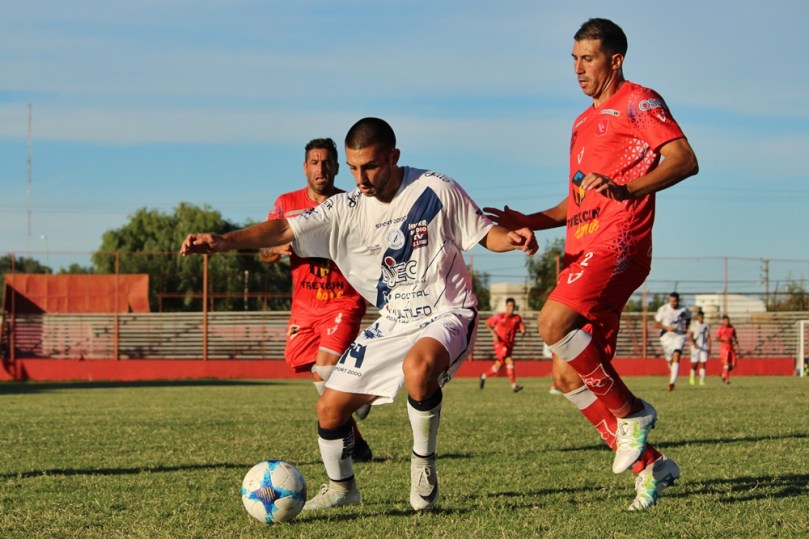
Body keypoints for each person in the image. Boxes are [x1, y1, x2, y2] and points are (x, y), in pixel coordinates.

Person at [181, 117, 538, 512]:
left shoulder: (435, 189)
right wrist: (224, 241)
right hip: (393, 321)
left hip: (447, 311)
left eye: (369, 166)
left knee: (418, 370)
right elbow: (282, 230)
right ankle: (342, 489)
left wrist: (512, 239)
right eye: (352, 168)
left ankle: (423, 467)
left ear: (393, 157)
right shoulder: (345, 208)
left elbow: (484, 233)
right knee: (329, 409)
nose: (360, 177)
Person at [484, 18, 698, 511]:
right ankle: (652, 467)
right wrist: (530, 220)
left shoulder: (640, 100)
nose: (578, 69)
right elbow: (575, 202)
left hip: (618, 243)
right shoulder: (582, 122)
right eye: (574, 59)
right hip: (583, 250)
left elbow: (684, 159)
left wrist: (628, 189)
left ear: (615, 60)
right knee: (565, 378)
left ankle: (634, 414)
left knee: (552, 322)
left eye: (589, 59)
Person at [260, 137, 372, 462]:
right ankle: (358, 431)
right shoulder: (286, 204)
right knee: (317, 375)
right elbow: (264, 250)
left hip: (343, 299)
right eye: (314, 162)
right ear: (305, 167)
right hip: (305, 307)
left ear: (338, 167)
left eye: (327, 162)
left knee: (325, 369)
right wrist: (275, 249)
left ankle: (347, 429)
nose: (320, 168)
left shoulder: (354, 203)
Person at [480, 297, 526, 393]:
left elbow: (522, 327)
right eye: (509, 306)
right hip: (499, 344)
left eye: (513, 306)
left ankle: (483, 376)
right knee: (510, 361)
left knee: (498, 366)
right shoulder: (499, 316)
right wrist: (493, 334)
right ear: (506, 306)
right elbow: (487, 322)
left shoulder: (517, 318)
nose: (511, 308)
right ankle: (514, 386)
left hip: (509, 346)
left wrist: (523, 331)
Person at [654, 292, 691, 391]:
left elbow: (689, 317)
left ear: (678, 301)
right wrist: (667, 328)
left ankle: (672, 382)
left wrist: (686, 327)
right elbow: (656, 325)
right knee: (670, 360)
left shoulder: (684, 309)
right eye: (671, 301)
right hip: (666, 337)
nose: (673, 303)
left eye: (675, 301)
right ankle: (673, 375)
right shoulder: (663, 309)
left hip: (679, 336)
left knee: (677, 354)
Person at [688, 309, 711, 385]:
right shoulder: (694, 325)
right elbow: (690, 336)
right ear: (697, 317)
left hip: (703, 346)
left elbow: (708, 337)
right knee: (695, 363)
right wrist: (694, 344)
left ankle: (702, 380)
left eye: (702, 316)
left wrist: (709, 347)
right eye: (699, 316)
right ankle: (692, 376)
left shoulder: (706, 325)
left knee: (703, 363)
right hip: (695, 347)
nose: (701, 317)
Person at [716, 315, 739, 384]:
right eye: (725, 320)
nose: (727, 322)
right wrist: (723, 339)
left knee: (733, 364)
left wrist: (738, 346)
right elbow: (717, 338)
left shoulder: (732, 328)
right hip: (724, 348)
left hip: (731, 348)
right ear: (723, 321)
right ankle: (726, 379)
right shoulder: (721, 328)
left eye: (728, 320)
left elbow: (735, 337)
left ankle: (723, 374)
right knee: (726, 363)